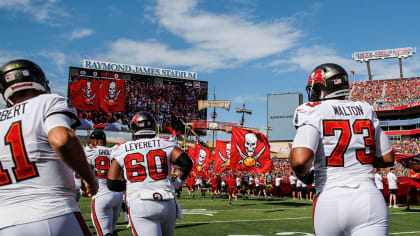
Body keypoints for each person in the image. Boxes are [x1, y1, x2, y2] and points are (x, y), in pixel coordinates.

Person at [289, 63, 394, 235]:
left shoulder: (313, 111)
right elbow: (388, 158)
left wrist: (304, 175)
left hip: (331, 198)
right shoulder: (365, 109)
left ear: (321, 87)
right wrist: (355, 156)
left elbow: (300, 161)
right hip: (369, 199)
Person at [0, 59, 98, 235]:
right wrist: (89, 178)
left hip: (5, 222)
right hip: (53, 211)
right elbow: (61, 139)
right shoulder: (48, 101)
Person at [107, 112, 192, 236]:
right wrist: (177, 183)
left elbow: (112, 182)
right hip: (167, 201)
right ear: (153, 126)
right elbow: (186, 163)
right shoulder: (165, 143)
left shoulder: (122, 148)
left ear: (134, 128)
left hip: (140, 202)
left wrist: (131, 185)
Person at [85, 130, 123, 236]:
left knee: (104, 233)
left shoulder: (90, 150)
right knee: (112, 230)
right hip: (117, 195)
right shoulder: (115, 151)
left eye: (92, 141)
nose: (91, 143)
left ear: (96, 141)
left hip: (101, 194)